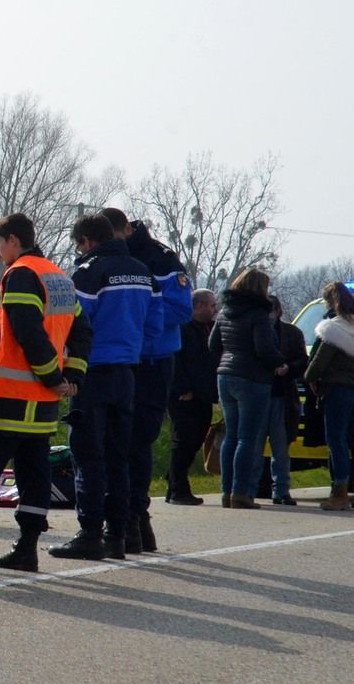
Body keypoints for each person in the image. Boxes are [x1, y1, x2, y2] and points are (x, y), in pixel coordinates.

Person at [0, 213, 91, 573]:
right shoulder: (59, 277)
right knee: (34, 474)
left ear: (14, 240)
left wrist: (52, 376)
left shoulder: (21, 274)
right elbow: (82, 330)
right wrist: (71, 377)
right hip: (43, 404)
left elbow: (28, 333)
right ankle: (26, 549)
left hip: (8, 396)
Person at [48, 214, 153, 561]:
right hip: (128, 372)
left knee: (88, 456)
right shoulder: (141, 270)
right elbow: (154, 322)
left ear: (87, 241)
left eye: (78, 245)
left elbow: (75, 324)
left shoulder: (88, 272)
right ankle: (118, 535)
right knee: (118, 457)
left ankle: (90, 533)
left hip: (92, 373)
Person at [101, 208, 191, 553]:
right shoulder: (106, 260)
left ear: (126, 229)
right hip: (121, 360)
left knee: (137, 442)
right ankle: (127, 520)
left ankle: (136, 518)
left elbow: (181, 309)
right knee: (114, 442)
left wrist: (132, 313)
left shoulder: (160, 258)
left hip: (152, 361)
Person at [208, 268, 287, 509]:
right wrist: (280, 363)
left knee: (231, 436)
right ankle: (240, 492)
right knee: (248, 438)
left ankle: (226, 491)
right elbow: (264, 348)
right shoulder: (258, 314)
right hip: (252, 378)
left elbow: (213, 344)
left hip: (225, 375)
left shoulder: (224, 312)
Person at [165, 289, 220, 505]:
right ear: (199, 306)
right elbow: (175, 360)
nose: (215, 309)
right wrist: (183, 388)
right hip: (184, 395)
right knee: (184, 440)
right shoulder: (183, 328)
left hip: (204, 393)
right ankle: (178, 489)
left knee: (198, 437)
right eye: (212, 305)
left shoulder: (211, 328)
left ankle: (173, 480)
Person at [302, 281, 354, 511]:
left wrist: (309, 377)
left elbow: (317, 364)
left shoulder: (333, 329)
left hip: (338, 390)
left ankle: (339, 491)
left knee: (336, 440)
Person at [263, 295, 309, 505]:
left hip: (282, 395)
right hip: (257, 394)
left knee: (280, 447)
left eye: (270, 310)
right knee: (253, 445)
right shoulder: (252, 330)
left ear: (278, 311)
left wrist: (287, 368)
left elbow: (303, 361)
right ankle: (247, 489)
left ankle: (281, 490)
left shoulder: (292, 333)